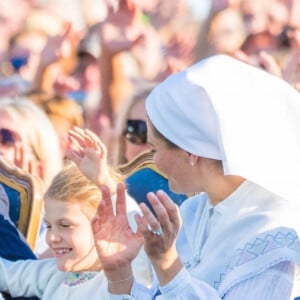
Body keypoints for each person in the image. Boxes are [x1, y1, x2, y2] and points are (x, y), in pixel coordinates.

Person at [85, 54, 300, 299]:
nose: (151, 160)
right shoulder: (193, 211)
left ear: (191, 151)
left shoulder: (274, 233)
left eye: (155, 149)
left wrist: (169, 266)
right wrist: (119, 272)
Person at [0, 128, 152, 299]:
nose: (52, 238)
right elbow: (7, 274)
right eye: (49, 226)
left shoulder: (125, 279)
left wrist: (105, 184)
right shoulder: (51, 273)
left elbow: (135, 237)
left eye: (65, 225)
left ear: (107, 225)